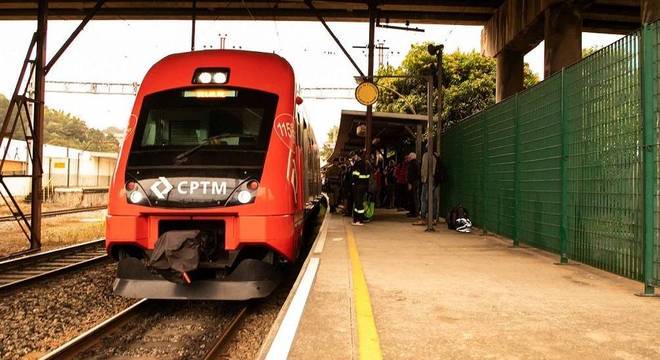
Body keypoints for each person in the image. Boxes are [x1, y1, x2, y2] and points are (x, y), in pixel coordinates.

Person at [414, 148, 439, 226]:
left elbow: (424, 169)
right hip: (435, 181)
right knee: (433, 200)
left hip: (427, 180)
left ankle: (423, 218)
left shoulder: (426, 155)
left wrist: (423, 179)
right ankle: (433, 218)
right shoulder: (437, 156)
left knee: (424, 199)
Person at [350, 151, 370, 226]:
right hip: (362, 186)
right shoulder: (365, 163)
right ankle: (356, 219)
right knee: (358, 203)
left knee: (359, 203)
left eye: (353, 157)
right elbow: (367, 176)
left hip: (358, 186)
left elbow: (355, 175)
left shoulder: (358, 164)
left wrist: (353, 182)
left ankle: (360, 220)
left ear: (356, 156)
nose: (352, 158)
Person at [406, 152, 421, 218]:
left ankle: (414, 212)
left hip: (413, 182)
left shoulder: (412, 164)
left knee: (413, 197)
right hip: (415, 182)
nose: (408, 158)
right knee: (413, 197)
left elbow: (411, 174)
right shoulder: (416, 163)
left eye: (409, 157)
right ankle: (413, 211)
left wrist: (410, 182)